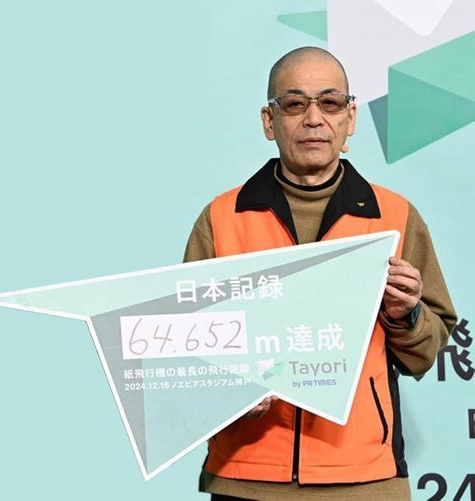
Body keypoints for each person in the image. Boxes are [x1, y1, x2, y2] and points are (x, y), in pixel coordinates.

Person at [183, 47, 457, 501]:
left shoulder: (395, 217)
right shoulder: (221, 219)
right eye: (294, 104)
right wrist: (228, 389)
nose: (313, 119)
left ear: (350, 119)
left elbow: (426, 353)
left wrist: (405, 315)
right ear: (269, 122)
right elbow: (182, 352)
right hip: (245, 474)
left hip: (367, 478)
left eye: (330, 103)